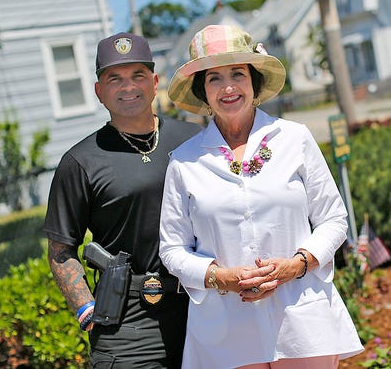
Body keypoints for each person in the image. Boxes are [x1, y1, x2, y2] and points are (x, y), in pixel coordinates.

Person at [159, 24, 364, 368]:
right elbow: (172, 248)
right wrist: (220, 277)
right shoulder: (184, 161)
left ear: (254, 81)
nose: (228, 87)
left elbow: (333, 218)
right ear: (203, 92)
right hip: (225, 330)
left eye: (237, 73)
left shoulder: (294, 139)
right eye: (214, 78)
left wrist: (297, 265)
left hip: (302, 320)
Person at [43, 32, 202, 368]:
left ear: (155, 82)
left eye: (138, 76)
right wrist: (87, 310)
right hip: (128, 324)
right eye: (114, 78)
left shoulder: (195, 141)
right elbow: (60, 251)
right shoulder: (81, 161)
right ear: (99, 91)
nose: (128, 87)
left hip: (204, 308)